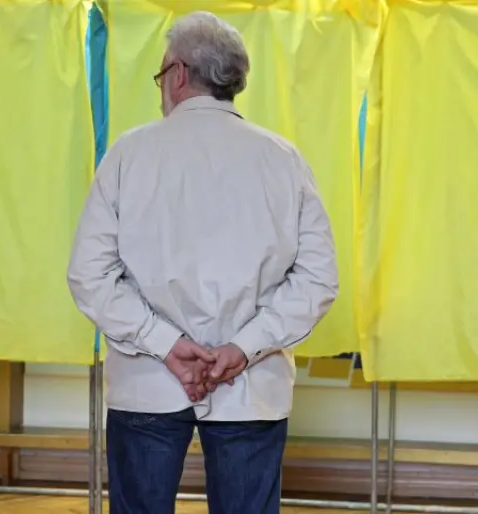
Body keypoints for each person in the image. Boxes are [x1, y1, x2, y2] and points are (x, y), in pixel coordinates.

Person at [67, 11, 338, 514]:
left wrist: (165, 345)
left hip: (146, 384)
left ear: (177, 74)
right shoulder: (284, 160)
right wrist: (242, 348)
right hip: (250, 387)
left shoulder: (129, 155)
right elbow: (317, 279)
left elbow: (90, 274)